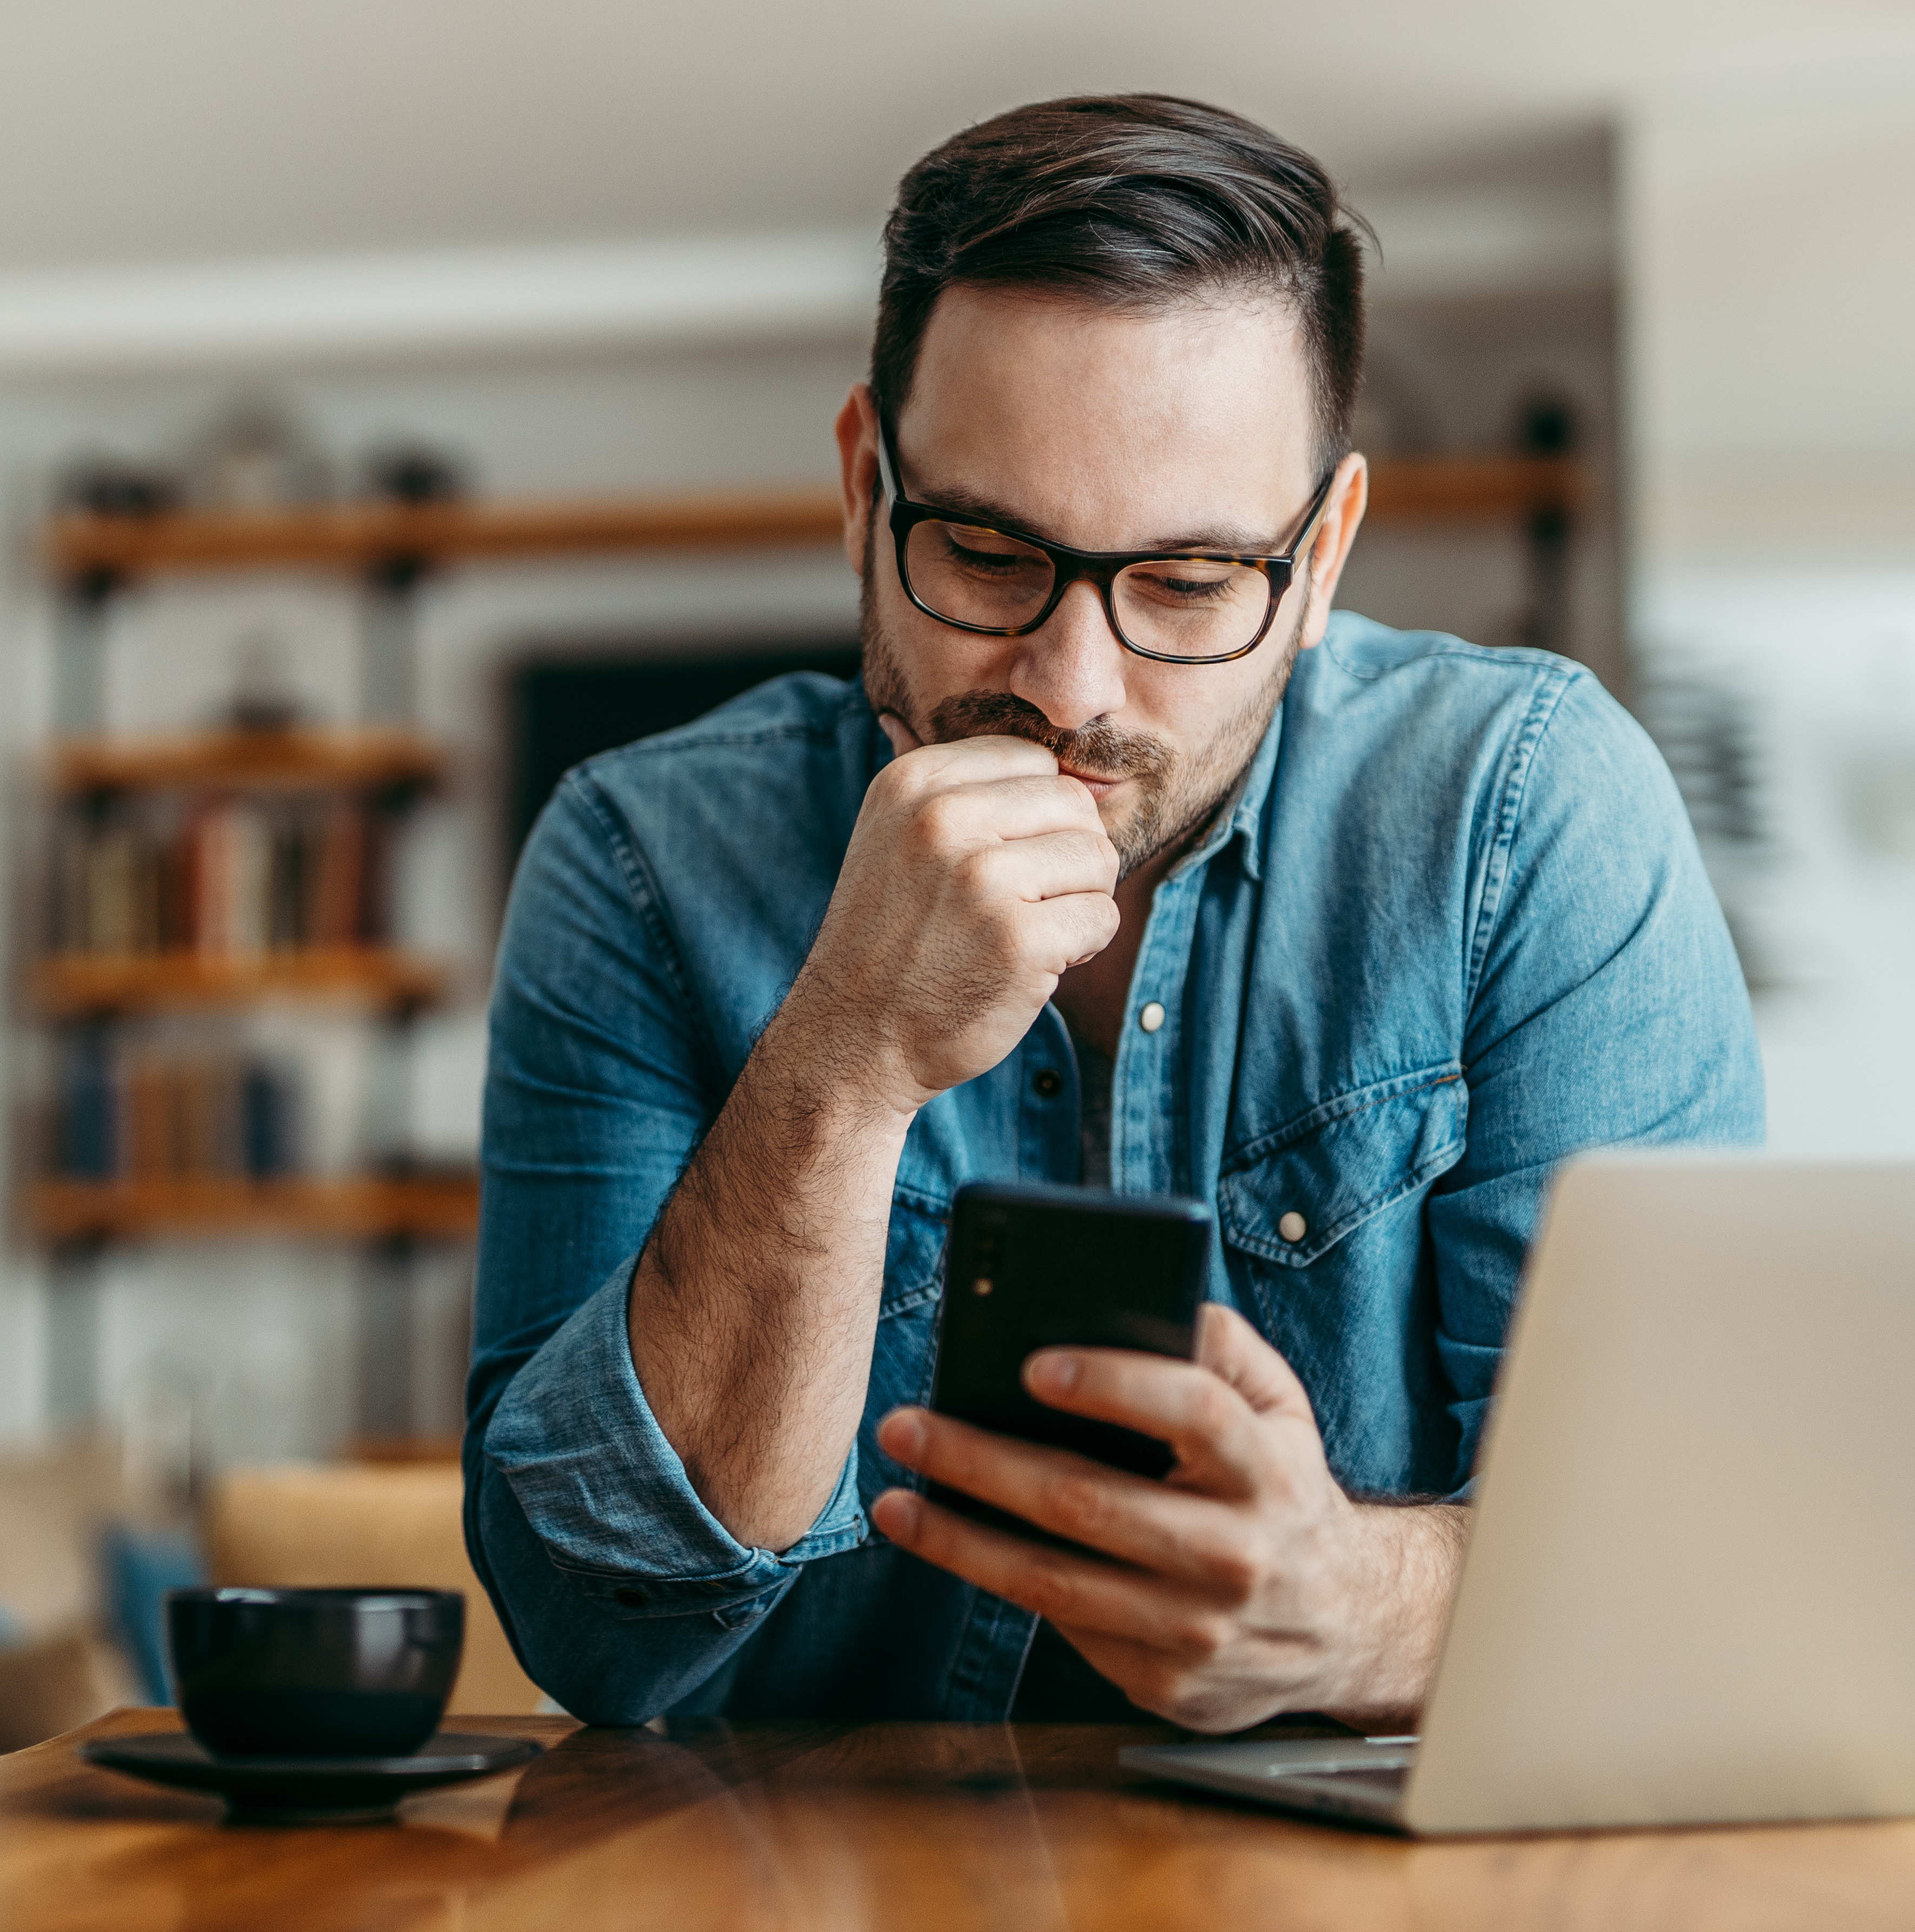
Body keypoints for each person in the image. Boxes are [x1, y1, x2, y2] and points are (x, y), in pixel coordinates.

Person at [461, 93, 1762, 1730]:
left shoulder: (1527, 812)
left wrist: (1350, 1613)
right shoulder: (638, 858)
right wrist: (843, 1064)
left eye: (1192, 583)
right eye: (991, 553)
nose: (1071, 688)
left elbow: (1688, 1576)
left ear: (1326, 554)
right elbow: (596, 1628)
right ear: (868, 491)